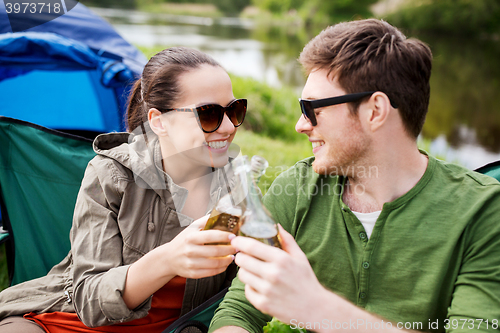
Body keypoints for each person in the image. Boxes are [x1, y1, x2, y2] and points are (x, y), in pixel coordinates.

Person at [209, 19, 500, 333]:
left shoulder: (483, 212)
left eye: (312, 109)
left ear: (375, 111)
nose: (300, 124)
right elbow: (238, 312)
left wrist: (316, 306)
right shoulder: (295, 189)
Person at [0, 47, 247, 332]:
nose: (229, 127)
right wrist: (169, 259)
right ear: (158, 121)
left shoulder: (236, 184)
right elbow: (90, 300)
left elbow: (246, 293)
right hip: (69, 322)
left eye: (234, 110)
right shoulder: (111, 175)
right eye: (209, 114)